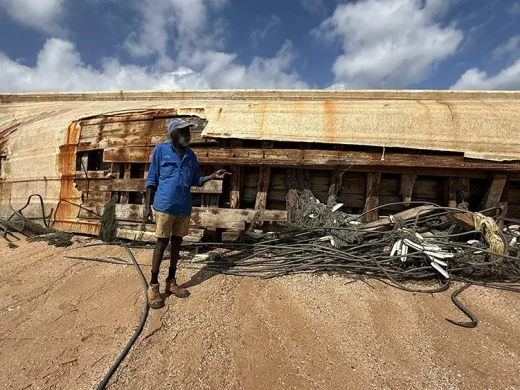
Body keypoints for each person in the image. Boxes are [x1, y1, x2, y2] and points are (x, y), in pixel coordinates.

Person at [144, 118, 230, 309]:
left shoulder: (191, 155)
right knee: (161, 243)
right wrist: (146, 208)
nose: (188, 136)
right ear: (174, 134)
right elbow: (151, 180)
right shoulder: (161, 150)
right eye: (184, 132)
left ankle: (171, 281)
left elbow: (195, 180)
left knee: (177, 243)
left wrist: (212, 176)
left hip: (183, 207)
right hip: (164, 206)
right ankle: (154, 285)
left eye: (189, 132)